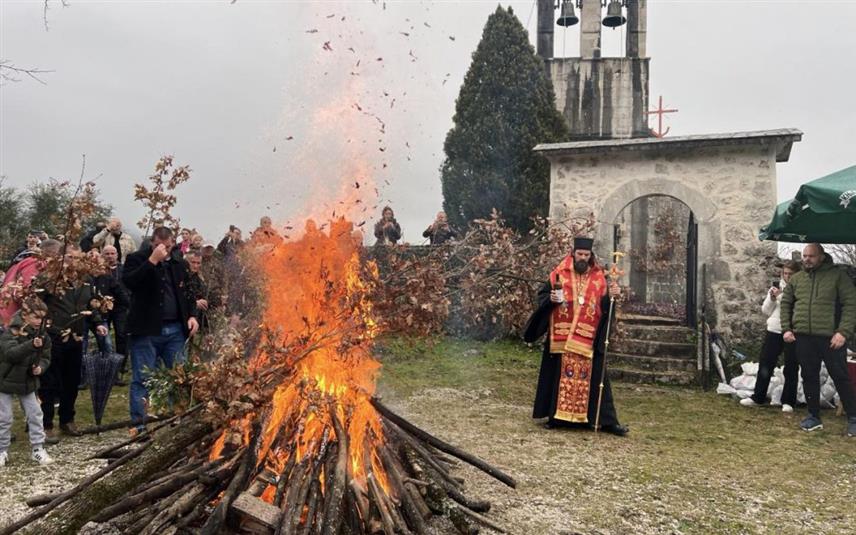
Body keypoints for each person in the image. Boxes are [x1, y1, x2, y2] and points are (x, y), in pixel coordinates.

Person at [523, 237, 628, 436]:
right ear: (573, 253)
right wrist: (551, 299)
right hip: (562, 336)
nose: (582, 258)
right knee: (558, 376)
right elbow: (543, 296)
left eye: (586, 255)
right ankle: (556, 417)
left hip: (588, 338)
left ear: (591, 256)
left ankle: (604, 421)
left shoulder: (599, 278)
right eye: (579, 254)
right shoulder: (559, 273)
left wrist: (613, 296)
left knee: (597, 378)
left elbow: (605, 306)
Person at [123, 227, 199, 434]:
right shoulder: (136, 259)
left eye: (167, 246)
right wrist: (152, 261)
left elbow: (190, 292)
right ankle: (139, 424)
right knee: (142, 378)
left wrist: (192, 315)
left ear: (173, 243)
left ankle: (176, 420)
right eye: (158, 245)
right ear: (152, 242)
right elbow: (130, 282)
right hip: (147, 330)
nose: (163, 249)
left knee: (178, 376)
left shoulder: (179, 264)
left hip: (175, 329)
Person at [780, 243, 856, 436]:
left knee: (840, 377)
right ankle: (814, 416)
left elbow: (851, 303)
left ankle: (854, 418)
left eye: (811, 256)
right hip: (804, 337)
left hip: (832, 338)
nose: (806, 259)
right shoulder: (797, 279)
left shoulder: (838, 276)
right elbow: (786, 303)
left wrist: (843, 332)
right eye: (805, 256)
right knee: (809, 376)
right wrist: (787, 329)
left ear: (821, 256)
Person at [38, 245, 108, 438]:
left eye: (77, 258)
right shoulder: (51, 278)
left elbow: (91, 305)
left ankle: (67, 420)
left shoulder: (86, 281)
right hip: (53, 337)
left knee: (72, 380)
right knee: (50, 382)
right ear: (62, 258)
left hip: (76, 337)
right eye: (69, 257)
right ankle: (46, 424)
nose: (73, 261)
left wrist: (97, 323)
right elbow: (35, 301)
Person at [741, 260, 802, 412]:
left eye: (790, 274)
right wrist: (772, 298)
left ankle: (788, 401)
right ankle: (758, 397)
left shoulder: (801, 288)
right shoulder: (777, 286)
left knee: (791, 365)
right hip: (774, 329)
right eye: (785, 273)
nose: (787, 276)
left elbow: (796, 307)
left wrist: (781, 297)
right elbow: (766, 310)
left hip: (792, 330)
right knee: (766, 363)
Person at [0, 297, 54, 466]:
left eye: (42, 318)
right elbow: (11, 354)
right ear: (25, 315)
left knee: (35, 414)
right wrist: (31, 344)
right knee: (4, 417)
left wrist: (41, 368)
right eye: (36, 317)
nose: (40, 321)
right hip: (5, 379)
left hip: (28, 381)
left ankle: (38, 449)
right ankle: (2, 450)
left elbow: (46, 357)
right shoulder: (11, 331)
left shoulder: (43, 335)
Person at [184, 250, 221, 333]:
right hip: (183, 321)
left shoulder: (199, 279)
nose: (195, 266)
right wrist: (194, 303)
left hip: (198, 320)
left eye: (198, 263)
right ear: (186, 262)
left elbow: (207, 295)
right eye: (193, 262)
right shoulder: (180, 278)